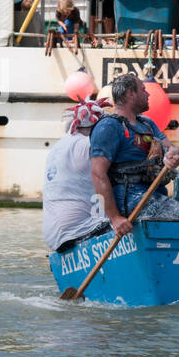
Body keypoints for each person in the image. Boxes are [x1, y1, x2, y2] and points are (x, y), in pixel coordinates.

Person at [89, 73, 179, 236]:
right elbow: (97, 173)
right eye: (143, 90)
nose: (148, 93)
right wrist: (115, 218)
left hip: (154, 196)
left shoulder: (147, 123)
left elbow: (172, 148)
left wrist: (173, 155)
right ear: (130, 93)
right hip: (132, 201)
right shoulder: (108, 126)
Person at [43, 99, 111, 251]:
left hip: (53, 236)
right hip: (77, 230)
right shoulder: (86, 144)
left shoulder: (58, 146)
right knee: (129, 224)